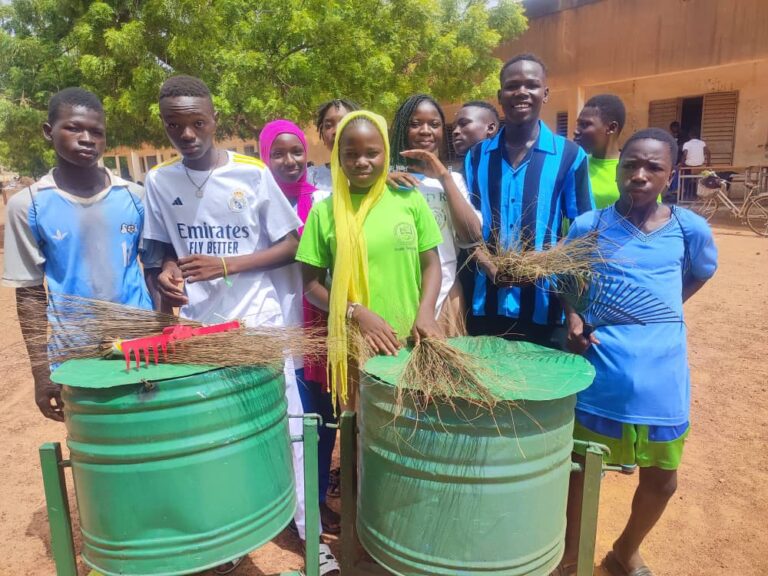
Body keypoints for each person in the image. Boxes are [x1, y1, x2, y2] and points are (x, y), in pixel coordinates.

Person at [141, 76, 335, 575]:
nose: (187, 134)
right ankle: (231, 534)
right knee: (219, 435)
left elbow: (292, 244)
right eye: (174, 125)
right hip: (202, 330)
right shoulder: (159, 183)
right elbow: (158, 251)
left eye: (197, 123)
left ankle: (311, 536)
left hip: (260, 323)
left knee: (290, 429)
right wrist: (165, 273)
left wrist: (228, 266)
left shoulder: (250, 175)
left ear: (215, 121)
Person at [557, 128, 718, 576]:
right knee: (581, 472)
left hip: (663, 376)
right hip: (602, 376)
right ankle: (572, 556)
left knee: (663, 481)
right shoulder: (590, 226)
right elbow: (566, 283)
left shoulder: (690, 228)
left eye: (654, 167)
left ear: (672, 173)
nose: (640, 175)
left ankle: (624, 551)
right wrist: (574, 317)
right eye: (632, 165)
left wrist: (662, 313)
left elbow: (700, 273)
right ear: (620, 167)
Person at [2, 87, 154, 422]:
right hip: (75, 352)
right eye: (74, 128)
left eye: (96, 132)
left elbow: (154, 270)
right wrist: (41, 373)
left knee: (149, 435)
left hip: (140, 348)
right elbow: (29, 294)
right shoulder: (28, 205)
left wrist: (163, 337)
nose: (87, 139)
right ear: (48, 132)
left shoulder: (134, 198)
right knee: (96, 448)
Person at [296, 110, 443, 409]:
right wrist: (356, 313)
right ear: (338, 157)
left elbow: (432, 265)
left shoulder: (408, 200)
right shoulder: (324, 212)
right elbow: (310, 285)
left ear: (385, 153)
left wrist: (426, 311)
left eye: (372, 153)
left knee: (412, 428)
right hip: (355, 346)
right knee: (366, 436)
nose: (361, 162)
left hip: (411, 339)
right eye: (351, 154)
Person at [464, 53, 594, 347]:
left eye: (531, 85)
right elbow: (465, 227)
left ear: (545, 94)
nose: (521, 92)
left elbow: (583, 232)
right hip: (486, 308)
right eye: (512, 86)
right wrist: (488, 265)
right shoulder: (476, 157)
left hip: (547, 310)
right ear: (500, 96)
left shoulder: (570, 156)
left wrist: (538, 265)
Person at [259, 119, 340, 537]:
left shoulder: (325, 201)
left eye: (296, 152)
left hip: (318, 329)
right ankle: (281, 503)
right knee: (282, 423)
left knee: (320, 419)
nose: (289, 161)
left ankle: (317, 499)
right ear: (264, 157)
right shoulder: (255, 204)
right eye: (278, 153)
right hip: (274, 327)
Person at [387, 94, 482, 335]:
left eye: (434, 124)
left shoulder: (453, 180)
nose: (425, 131)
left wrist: (443, 176)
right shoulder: (386, 180)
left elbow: (472, 234)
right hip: (399, 293)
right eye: (415, 124)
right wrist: (381, 180)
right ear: (401, 130)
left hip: (446, 293)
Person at [573, 94, 626, 208]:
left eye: (585, 125)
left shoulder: (634, 169)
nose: (576, 131)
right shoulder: (574, 164)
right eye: (578, 124)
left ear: (611, 128)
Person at [308, 98, 360, 193]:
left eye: (344, 123)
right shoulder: (311, 178)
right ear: (322, 132)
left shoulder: (376, 177)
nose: (336, 131)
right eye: (328, 125)